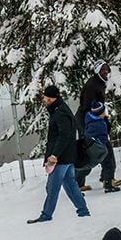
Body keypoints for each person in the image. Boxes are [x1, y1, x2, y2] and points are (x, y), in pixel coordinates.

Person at [28, 85, 89, 223]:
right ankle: (83, 212)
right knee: (71, 186)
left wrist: (54, 155)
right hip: (67, 156)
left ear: (51, 98)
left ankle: (46, 215)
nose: (43, 99)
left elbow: (64, 136)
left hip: (61, 158)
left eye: (45, 97)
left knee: (52, 187)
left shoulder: (60, 113)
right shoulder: (59, 109)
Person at [76, 59, 121, 192]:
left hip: (91, 119)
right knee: (102, 150)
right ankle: (108, 181)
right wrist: (100, 122)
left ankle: (79, 183)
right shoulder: (93, 85)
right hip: (88, 121)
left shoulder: (99, 82)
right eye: (102, 69)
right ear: (97, 70)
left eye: (107, 69)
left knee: (91, 150)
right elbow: (88, 107)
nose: (106, 72)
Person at [81, 101, 119, 193]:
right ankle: (108, 185)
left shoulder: (89, 117)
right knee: (108, 164)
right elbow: (103, 135)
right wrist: (104, 146)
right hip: (100, 145)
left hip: (91, 144)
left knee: (88, 164)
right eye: (103, 112)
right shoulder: (99, 123)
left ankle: (78, 182)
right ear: (100, 113)